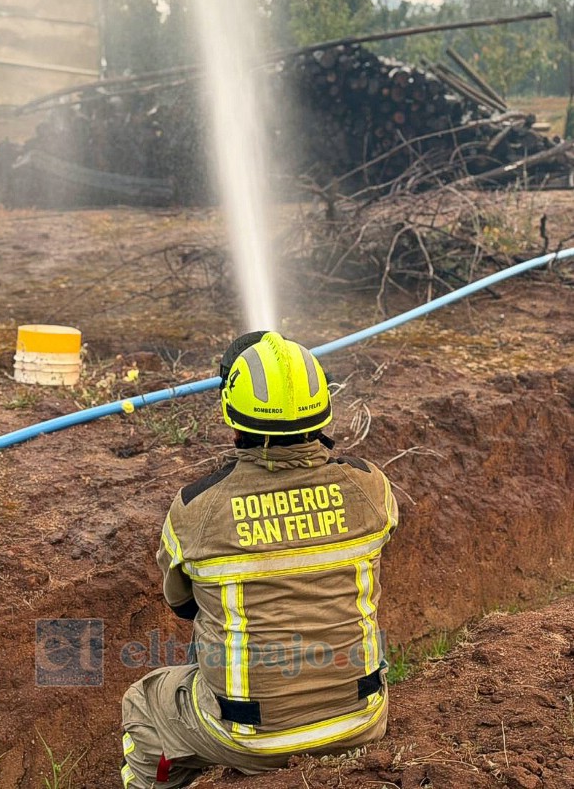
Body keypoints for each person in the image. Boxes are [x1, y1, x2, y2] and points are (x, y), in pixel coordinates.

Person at [121, 331, 398, 788]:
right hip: (362, 719)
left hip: (249, 736)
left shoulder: (196, 509)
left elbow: (180, 603)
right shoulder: (371, 488)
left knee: (144, 701)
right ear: (324, 409)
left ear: (231, 415)